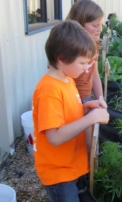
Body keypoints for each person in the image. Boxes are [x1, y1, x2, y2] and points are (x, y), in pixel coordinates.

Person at [32, 20, 110, 202]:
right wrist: (90, 119)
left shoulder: (67, 80)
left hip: (71, 165)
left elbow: (64, 115)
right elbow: (55, 137)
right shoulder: (49, 90)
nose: (87, 67)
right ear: (61, 58)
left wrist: (85, 108)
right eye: (82, 62)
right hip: (59, 173)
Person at [66, 0, 106, 106]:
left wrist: (101, 101)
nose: (100, 29)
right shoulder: (69, 47)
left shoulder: (94, 43)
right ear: (79, 23)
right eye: (95, 25)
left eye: (101, 24)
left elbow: (95, 74)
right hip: (71, 100)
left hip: (87, 98)